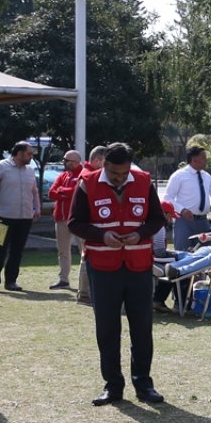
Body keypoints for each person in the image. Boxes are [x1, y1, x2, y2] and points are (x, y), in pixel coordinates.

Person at [67, 143, 168, 406]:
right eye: (113, 173)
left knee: (142, 327)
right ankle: (113, 386)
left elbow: (158, 219)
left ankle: (144, 384)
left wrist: (141, 234)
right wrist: (102, 235)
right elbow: (74, 222)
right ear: (104, 164)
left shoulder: (144, 181)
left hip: (138, 265)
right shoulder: (87, 182)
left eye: (124, 174)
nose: (119, 179)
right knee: (107, 328)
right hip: (103, 267)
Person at [0, 142, 40, 292]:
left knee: (17, 251)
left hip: (25, 217)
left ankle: (11, 281)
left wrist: (37, 208)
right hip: (3, 215)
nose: (31, 157)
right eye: (29, 153)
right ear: (19, 153)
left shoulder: (30, 170)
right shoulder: (0, 167)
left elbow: (34, 191)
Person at [163, 144, 211, 252]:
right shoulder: (179, 175)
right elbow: (167, 198)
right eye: (203, 157)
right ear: (194, 159)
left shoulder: (207, 176)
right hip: (184, 222)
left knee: (204, 255)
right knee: (182, 253)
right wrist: (182, 210)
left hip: (203, 222)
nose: (206, 160)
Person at [47, 150, 84, 289]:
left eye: (66, 160)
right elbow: (51, 193)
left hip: (78, 219)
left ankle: (85, 281)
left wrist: (61, 191)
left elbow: (76, 192)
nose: (64, 162)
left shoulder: (83, 175)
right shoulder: (63, 175)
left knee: (84, 251)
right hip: (61, 219)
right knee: (63, 250)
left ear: (75, 162)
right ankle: (64, 280)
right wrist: (65, 192)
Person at [75, 146, 107, 304]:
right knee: (86, 258)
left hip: (86, 223)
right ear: (98, 160)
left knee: (85, 257)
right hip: (87, 224)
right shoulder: (89, 176)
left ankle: (85, 293)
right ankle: (84, 294)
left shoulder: (87, 173)